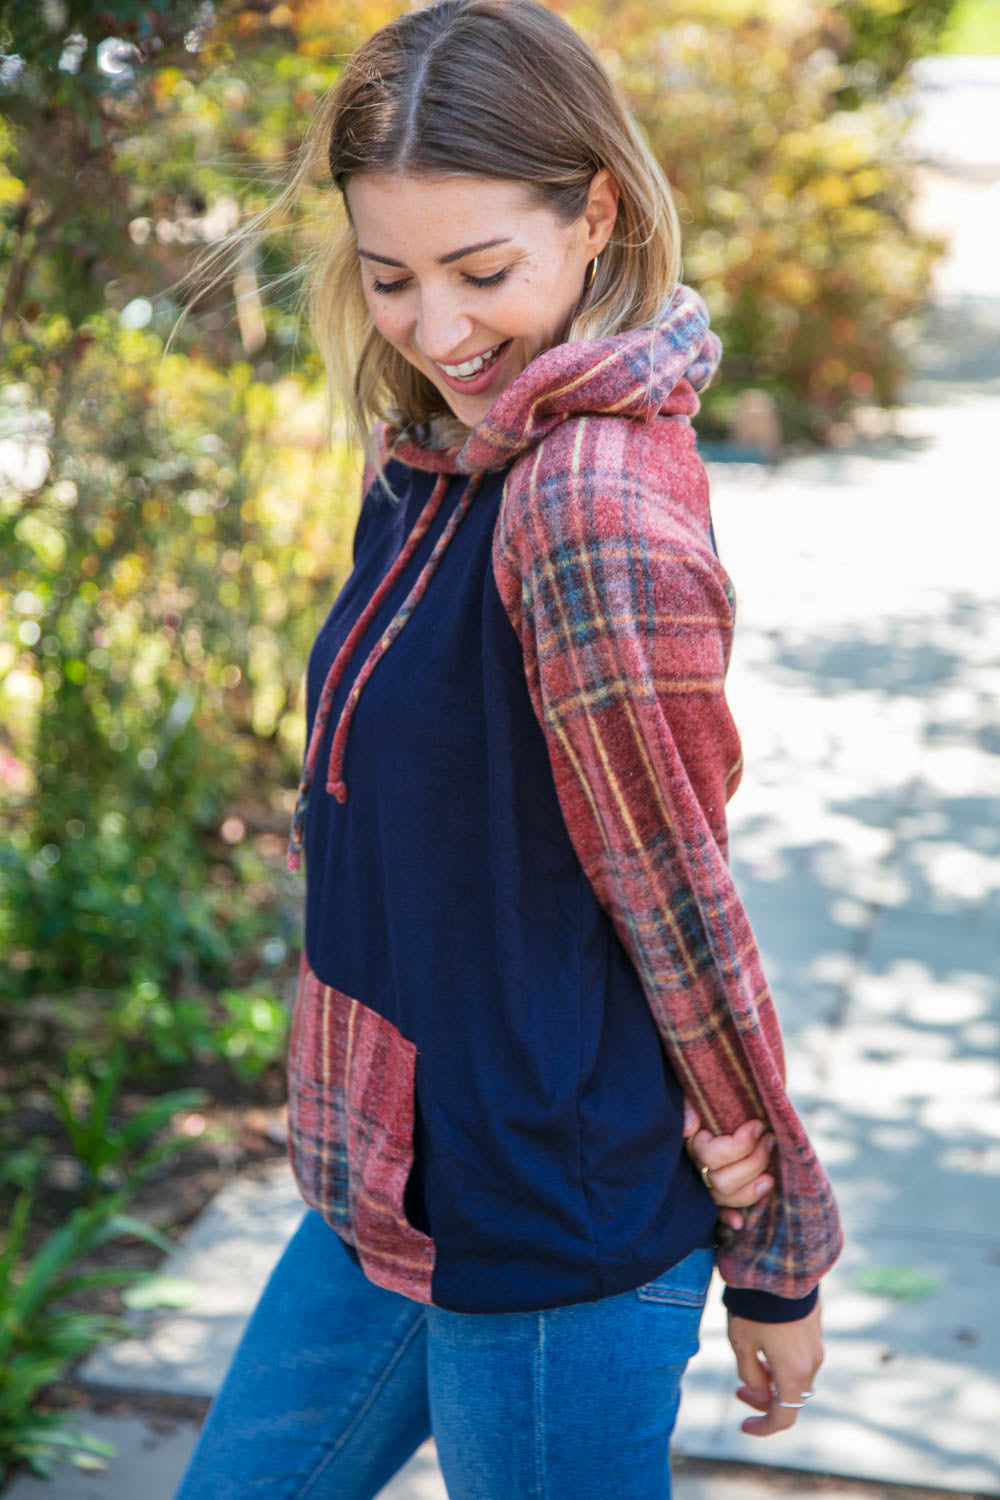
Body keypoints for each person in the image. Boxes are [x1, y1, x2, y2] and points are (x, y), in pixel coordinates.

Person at [173, 2, 842, 1496]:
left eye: (483, 273)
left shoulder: (587, 510)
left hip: (549, 1218)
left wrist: (780, 1250)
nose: (439, 328)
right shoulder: (443, 457)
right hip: (392, 1181)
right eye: (392, 276)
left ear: (595, 212)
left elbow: (678, 897)